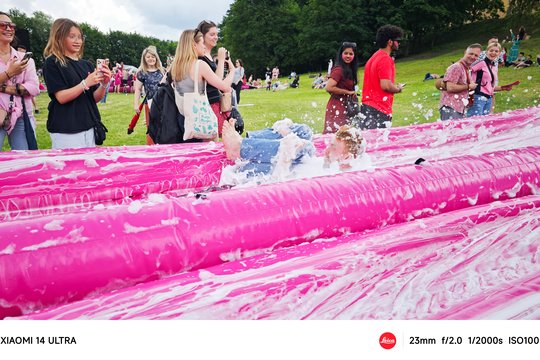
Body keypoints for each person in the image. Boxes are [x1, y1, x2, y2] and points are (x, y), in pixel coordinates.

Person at [42, 18, 112, 149]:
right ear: (59, 37)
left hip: (89, 125)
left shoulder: (87, 64)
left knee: (88, 167)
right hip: (66, 129)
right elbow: (61, 97)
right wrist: (85, 83)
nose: (78, 41)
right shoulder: (52, 62)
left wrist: (104, 84)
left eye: (80, 37)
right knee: (69, 168)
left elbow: (93, 99)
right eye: (72, 36)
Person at [222, 118, 363, 179]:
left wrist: (296, 143)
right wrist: (289, 135)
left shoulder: (336, 175)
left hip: (279, 172)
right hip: (287, 161)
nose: (327, 148)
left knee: (307, 147)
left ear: (346, 157)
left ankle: (239, 147)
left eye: (333, 146)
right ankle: (250, 139)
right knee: (305, 131)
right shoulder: (330, 163)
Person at [169, 29, 235, 140]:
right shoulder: (200, 65)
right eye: (202, 43)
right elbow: (223, 86)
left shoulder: (175, 67)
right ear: (194, 45)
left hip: (182, 119)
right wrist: (231, 71)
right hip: (200, 120)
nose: (204, 46)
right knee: (208, 153)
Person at [0, 11, 40, 151]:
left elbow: (34, 88)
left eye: (11, 25)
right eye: (3, 25)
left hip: (20, 116)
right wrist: (10, 73)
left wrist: (3, 87)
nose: (9, 28)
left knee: (26, 160)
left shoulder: (25, 59)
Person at [360, 24, 405, 129]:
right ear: (390, 42)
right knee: (380, 143)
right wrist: (398, 89)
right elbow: (386, 86)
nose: (398, 43)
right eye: (397, 40)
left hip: (366, 107)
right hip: (379, 110)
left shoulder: (373, 57)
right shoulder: (385, 59)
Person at [196, 20, 235, 136]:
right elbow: (216, 82)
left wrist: (231, 71)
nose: (216, 37)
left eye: (217, 34)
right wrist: (222, 59)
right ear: (202, 36)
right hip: (209, 104)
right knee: (217, 137)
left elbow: (219, 82)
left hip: (215, 101)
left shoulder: (207, 56)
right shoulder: (201, 58)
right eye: (212, 34)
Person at [467, 42, 515, 117]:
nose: (493, 53)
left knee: (484, 123)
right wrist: (469, 85)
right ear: (486, 52)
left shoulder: (493, 67)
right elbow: (467, 70)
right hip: (478, 96)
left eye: (496, 51)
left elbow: (489, 86)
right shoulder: (481, 63)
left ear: (499, 53)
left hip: (488, 98)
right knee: (473, 122)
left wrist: (503, 88)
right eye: (491, 50)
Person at [438, 43, 481, 120]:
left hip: (459, 108)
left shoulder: (466, 68)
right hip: (450, 107)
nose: (473, 57)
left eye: (476, 55)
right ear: (465, 53)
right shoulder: (457, 67)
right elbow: (450, 87)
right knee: (452, 132)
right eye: (471, 53)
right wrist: (468, 86)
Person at [133, 45, 166, 145]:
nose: (151, 59)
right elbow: (138, 89)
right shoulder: (141, 73)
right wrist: (136, 104)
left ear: (156, 58)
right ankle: (151, 148)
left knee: (164, 125)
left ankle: (163, 145)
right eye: (148, 57)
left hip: (163, 104)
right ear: (144, 59)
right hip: (150, 104)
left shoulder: (162, 71)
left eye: (153, 56)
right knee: (151, 127)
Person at [324, 42, 359, 134]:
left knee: (345, 135)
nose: (348, 56)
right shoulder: (339, 69)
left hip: (346, 105)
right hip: (337, 106)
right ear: (341, 54)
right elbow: (329, 87)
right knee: (336, 135)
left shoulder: (349, 69)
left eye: (351, 54)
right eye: (345, 53)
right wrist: (348, 92)